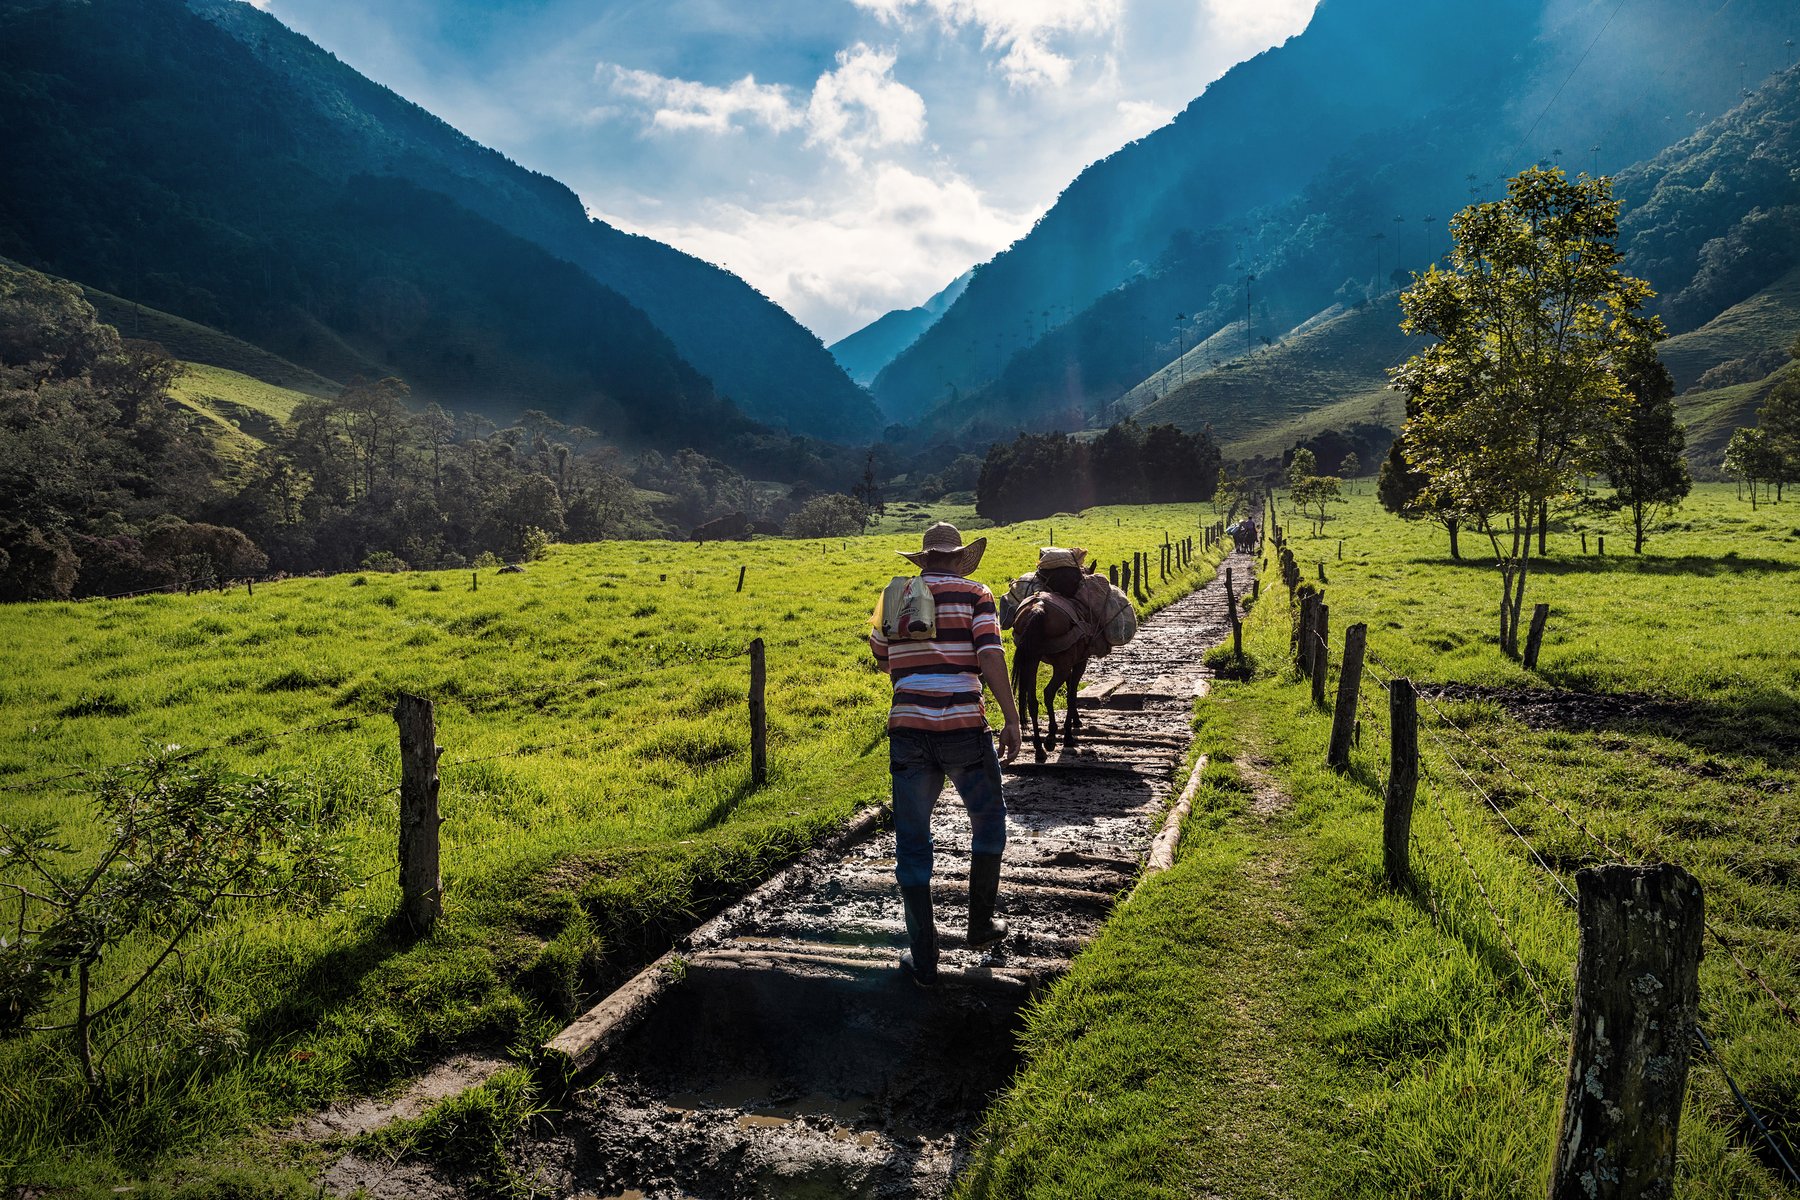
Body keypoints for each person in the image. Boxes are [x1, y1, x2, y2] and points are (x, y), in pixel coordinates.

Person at [870, 522, 1022, 986]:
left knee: (913, 840)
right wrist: (1011, 718)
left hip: (908, 729)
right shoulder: (977, 593)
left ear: (922, 559)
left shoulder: (893, 595)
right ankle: (979, 926)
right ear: (958, 558)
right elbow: (991, 655)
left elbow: (880, 657)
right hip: (962, 727)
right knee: (988, 819)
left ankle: (925, 958)